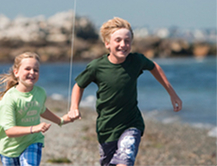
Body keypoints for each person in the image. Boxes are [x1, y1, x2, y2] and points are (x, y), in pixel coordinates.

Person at [68, 17, 182, 166]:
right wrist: (74, 107)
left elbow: (154, 67)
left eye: (127, 41)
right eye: (118, 40)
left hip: (131, 124)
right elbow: (79, 85)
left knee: (125, 160)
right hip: (106, 128)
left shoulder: (136, 61)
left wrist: (172, 94)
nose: (123, 44)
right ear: (107, 43)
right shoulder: (97, 66)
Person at [0, 52, 72, 166]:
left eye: (36, 70)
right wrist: (34, 128)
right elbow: (9, 131)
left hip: (32, 141)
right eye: (27, 69)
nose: (32, 72)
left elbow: (41, 109)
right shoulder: (9, 99)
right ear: (16, 72)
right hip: (9, 148)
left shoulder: (40, 92)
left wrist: (60, 121)